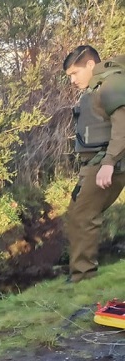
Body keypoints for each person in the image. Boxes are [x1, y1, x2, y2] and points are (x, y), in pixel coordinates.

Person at [64, 45, 125, 282]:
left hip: (107, 162)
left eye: (74, 73)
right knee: (81, 214)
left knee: (82, 216)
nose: (72, 80)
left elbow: (122, 127)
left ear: (90, 64)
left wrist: (109, 163)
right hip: (103, 161)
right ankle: (82, 275)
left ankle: (82, 278)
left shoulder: (111, 84)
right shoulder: (100, 86)